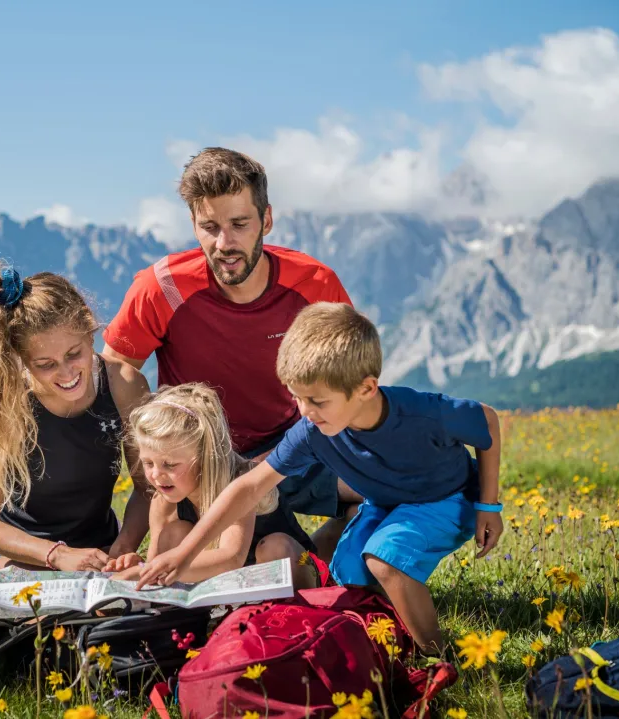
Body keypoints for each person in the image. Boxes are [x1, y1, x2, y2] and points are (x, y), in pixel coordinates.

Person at [135, 302, 504, 654]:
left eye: (317, 401)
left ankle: (437, 654)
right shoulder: (312, 430)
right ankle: (383, 632)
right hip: (387, 504)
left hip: (447, 499)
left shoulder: (422, 413)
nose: (306, 412)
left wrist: (488, 505)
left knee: (384, 560)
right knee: (347, 571)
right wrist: (184, 554)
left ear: (366, 388)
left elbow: (486, 420)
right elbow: (249, 486)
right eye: (297, 398)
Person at [102, 146, 361, 561]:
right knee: (181, 541)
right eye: (209, 227)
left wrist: (290, 448)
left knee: (385, 485)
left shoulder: (315, 285)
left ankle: (328, 563)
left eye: (240, 224)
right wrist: (151, 458)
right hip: (198, 457)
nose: (225, 243)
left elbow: (352, 380)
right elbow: (117, 365)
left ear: (267, 220)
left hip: (291, 448)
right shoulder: (162, 287)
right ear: (194, 224)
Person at [0, 261, 152, 572]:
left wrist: (123, 548)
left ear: (90, 332)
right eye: (45, 364)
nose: (66, 373)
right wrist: (58, 556)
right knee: (37, 606)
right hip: (11, 555)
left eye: (73, 354)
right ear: (21, 360)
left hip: (95, 548)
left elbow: (148, 487)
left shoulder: (124, 386)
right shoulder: (4, 402)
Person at [103, 383, 320, 589]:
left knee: (274, 547)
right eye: (148, 463)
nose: (156, 474)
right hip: (230, 586)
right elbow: (155, 565)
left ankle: (295, 613)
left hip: (288, 568)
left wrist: (144, 572)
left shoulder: (239, 481)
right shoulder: (163, 503)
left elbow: (231, 557)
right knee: (175, 532)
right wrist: (139, 566)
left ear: (204, 457)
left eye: (170, 464)